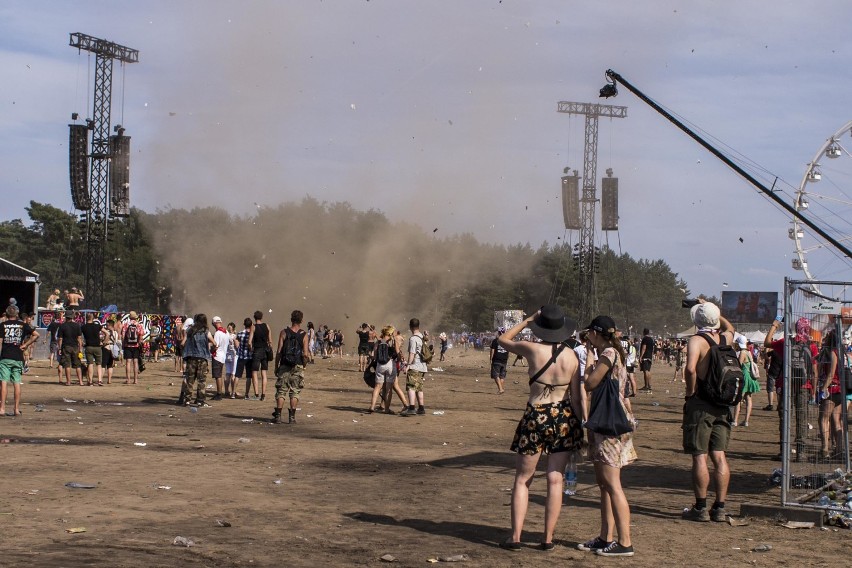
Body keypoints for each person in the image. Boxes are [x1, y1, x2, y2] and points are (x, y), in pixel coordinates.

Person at [497, 306, 583, 552]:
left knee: (523, 479)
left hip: (536, 415)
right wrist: (578, 425)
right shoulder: (572, 356)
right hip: (564, 417)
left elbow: (503, 340)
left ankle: (515, 536)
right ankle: (547, 538)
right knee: (555, 480)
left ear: (541, 327)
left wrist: (526, 321)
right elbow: (576, 397)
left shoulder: (532, 349)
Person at [576, 315, 636, 557]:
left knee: (612, 485)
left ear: (595, 333)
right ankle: (605, 537)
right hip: (608, 422)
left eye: (590, 332)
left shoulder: (608, 354)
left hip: (610, 424)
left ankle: (624, 542)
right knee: (604, 485)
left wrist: (589, 359)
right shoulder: (614, 352)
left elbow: (590, 383)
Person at [682, 300, 735, 522]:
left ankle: (701, 507)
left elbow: (691, 368)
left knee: (699, 456)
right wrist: (716, 312)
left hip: (701, 403)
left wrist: (690, 391)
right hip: (723, 404)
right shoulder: (725, 339)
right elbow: (730, 328)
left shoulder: (697, 340)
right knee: (719, 456)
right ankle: (720, 507)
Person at [765, 316, 818, 459]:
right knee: (802, 417)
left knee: (785, 418)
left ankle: (785, 451)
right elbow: (814, 371)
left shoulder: (786, 343)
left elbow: (767, 342)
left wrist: (775, 325)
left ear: (796, 328)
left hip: (786, 384)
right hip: (804, 385)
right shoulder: (811, 346)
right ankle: (801, 453)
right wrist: (813, 391)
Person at [0, 305, 38, 416]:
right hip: (17, 357)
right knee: (17, 383)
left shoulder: (2, 325)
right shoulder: (23, 325)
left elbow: (0, 342)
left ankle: (2, 409)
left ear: (7, 314)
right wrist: (25, 345)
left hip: (5, 357)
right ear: (17, 314)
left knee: (3, 383)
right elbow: (36, 335)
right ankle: (16, 409)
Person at [273, 310, 309, 424]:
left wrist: (276, 366)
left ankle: (278, 416)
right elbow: (305, 354)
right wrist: (304, 365)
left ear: (291, 319)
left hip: (284, 364)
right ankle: (292, 417)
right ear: (302, 320)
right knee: (295, 391)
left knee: (281, 390)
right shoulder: (304, 334)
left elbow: (279, 351)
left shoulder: (283, 332)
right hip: (297, 365)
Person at [817, 330, 843, 460]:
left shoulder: (833, 353)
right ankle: (839, 450)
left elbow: (831, 374)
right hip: (840, 390)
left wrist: (823, 389)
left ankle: (825, 449)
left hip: (832, 389)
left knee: (823, 419)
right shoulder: (842, 353)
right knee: (836, 421)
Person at [179, 314, 215, 407]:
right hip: (202, 359)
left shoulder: (189, 330)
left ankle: (187, 400)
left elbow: (182, 343)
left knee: (190, 380)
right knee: (201, 381)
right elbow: (214, 343)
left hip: (191, 358)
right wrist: (210, 348)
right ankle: (200, 400)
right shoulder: (206, 331)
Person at [401, 318, 428, 416]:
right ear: (418, 326)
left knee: (411, 387)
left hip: (415, 366)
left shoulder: (413, 339)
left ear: (410, 327)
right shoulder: (422, 337)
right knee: (419, 388)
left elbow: (412, 353)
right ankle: (421, 408)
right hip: (423, 366)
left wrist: (408, 365)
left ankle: (411, 408)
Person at [370, 325, 399, 413]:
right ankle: (386, 409)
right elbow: (397, 352)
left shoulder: (378, 342)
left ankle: (372, 407)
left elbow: (374, 356)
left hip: (380, 365)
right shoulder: (392, 341)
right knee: (388, 388)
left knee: (377, 387)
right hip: (390, 364)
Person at [732, 335, 759, 427]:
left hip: (744, 376)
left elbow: (738, 365)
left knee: (739, 398)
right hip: (750, 377)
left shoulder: (742, 352)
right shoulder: (748, 352)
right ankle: (746, 421)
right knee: (748, 398)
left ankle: (735, 420)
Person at [248, 310, 273, 401]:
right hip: (265, 351)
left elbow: (250, 342)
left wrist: (250, 349)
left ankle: (256, 394)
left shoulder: (253, 327)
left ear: (254, 318)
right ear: (261, 317)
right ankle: (263, 394)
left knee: (254, 372)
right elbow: (270, 341)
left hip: (257, 350)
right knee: (264, 373)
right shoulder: (267, 326)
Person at [58, 311, 84, 386]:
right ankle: (81, 381)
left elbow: (60, 339)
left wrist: (59, 348)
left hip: (66, 347)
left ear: (66, 317)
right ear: (72, 317)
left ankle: (68, 381)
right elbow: (79, 338)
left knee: (67, 365)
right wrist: (80, 348)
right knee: (78, 365)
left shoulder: (62, 326)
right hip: (75, 347)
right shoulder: (77, 326)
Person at [80, 312, 105, 386]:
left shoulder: (83, 327)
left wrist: (82, 343)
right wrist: (103, 342)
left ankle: (90, 381)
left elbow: (79, 336)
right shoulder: (97, 326)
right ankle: (100, 380)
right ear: (93, 318)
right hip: (97, 347)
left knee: (90, 364)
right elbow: (107, 333)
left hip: (88, 347)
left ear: (86, 318)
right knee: (99, 364)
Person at [122, 311, 144, 385]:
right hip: (136, 346)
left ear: (129, 317)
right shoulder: (139, 325)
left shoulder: (126, 325)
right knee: (135, 362)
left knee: (128, 362)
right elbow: (141, 337)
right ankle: (135, 380)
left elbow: (123, 336)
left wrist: (123, 343)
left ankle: (128, 380)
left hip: (127, 345)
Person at [235, 318, 254, 399]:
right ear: (251, 325)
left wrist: (238, 348)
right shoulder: (252, 335)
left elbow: (236, 340)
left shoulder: (240, 333)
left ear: (244, 324)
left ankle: (233, 393)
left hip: (241, 356)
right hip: (249, 357)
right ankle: (246, 394)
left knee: (237, 375)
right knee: (249, 377)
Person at [211, 316, 229, 400]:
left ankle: (219, 394)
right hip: (223, 356)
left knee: (217, 376)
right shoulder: (226, 332)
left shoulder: (218, 333)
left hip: (217, 356)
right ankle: (219, 392)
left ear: (214, 323)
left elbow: (215, 346)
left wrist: (211, 349)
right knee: (220, 375)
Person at [489, 327, 509, 394]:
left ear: (499, 332)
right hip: (504, 360)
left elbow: (492, 351)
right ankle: (501, 389)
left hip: (496, 360)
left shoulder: (495, 341)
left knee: (496, 375)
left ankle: (500, 389)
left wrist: (490, 359)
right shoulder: (507, 340)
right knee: (502, 376)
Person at [101, 318, 120, 385]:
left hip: (106, 348)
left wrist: (103, 342)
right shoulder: (115, 333)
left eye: (106, 325)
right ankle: (109, 380)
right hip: (113, 349)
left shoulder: (106, 332)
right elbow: (117, 341)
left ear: (109, 325)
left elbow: (104, 341)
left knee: (103, 365)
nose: (106, 326)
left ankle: (100, 379)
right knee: (110, 365)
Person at [225, 322, 238, 398]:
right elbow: (237, 346)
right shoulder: (234, 336)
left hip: (227, 356)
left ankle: (226, 391)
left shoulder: (226, 336)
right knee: (233, 374)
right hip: (234, 356)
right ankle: (233, 392)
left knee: (227, 374)